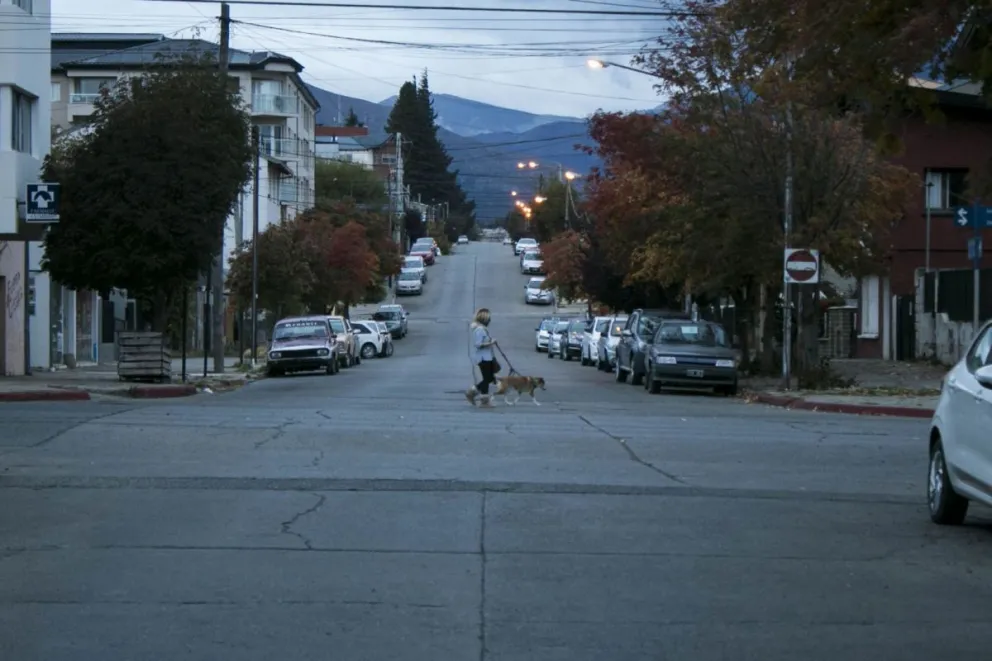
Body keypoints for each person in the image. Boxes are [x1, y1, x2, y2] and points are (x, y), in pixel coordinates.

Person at [466, 308, 497, 406]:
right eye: (488, 318)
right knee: (487, 379)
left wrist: (490, 341)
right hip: (483, 358)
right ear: (484, 319)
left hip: (487, 357)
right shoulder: (479, 330)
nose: (490, 321)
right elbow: (478, 344)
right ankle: (481, 398)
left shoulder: (483, 329)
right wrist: (491, 343)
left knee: (489, 378)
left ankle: (476, 394)